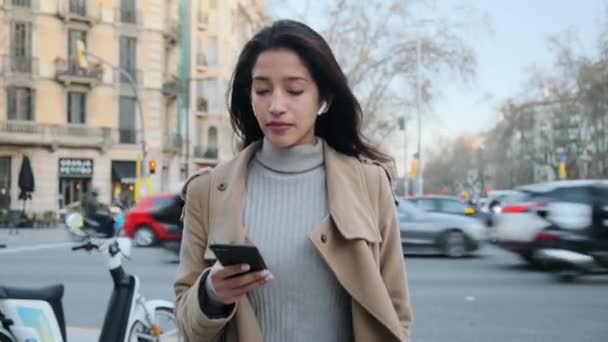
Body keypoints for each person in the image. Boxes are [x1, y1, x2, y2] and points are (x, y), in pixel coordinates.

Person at [174, 19, 412, 342]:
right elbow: (186, 323)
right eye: (262, 90)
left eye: (295, 90)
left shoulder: (371, 185)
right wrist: (211, 293)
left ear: (323, 98)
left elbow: (396, 315)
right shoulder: (207, 193)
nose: (276, 106)